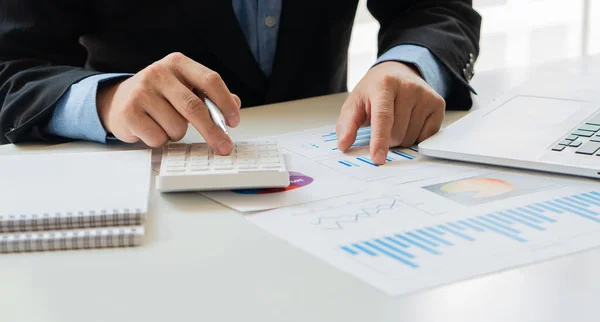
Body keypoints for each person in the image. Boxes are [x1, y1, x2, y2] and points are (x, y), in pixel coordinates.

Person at [0, 1, 480, 165]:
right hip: (144, 180)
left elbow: (433, 7)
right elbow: (13, 60)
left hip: (335, 176)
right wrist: (107, 99)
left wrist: (407, 65)